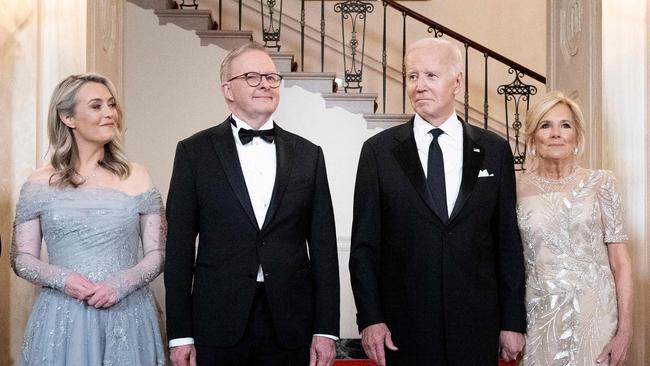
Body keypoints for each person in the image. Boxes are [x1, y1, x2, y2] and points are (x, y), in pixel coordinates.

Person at [349, 37, 526, 365]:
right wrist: (370, 319)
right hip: (404, 329)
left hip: (476, 326)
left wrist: (513, 321)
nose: (419, 86)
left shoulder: (495, 150)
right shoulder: (378, 152)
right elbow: (364, 247)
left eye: (431, 75)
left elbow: (507, 245)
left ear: (457, 81)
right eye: (412, 76)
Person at [164, 42, 340, 366]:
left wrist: (326, 329)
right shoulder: (193, 152)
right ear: (227, 90)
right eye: (252, 76)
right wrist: (180, 334)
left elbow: (325, 249)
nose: (265, 84)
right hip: (217, 321)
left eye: (272, 78)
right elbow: (178, 249)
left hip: (291, 323)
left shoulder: (309, 154)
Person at [11, 73, 166, 365]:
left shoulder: (138, 176)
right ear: (67, 117)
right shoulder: (39, 182)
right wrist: (64, 279)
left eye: (111, 105)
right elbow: (22, 258)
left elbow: (157, 254)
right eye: (96, 106)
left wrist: (119, 285)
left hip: (126, 313)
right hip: (62, 315)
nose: (109, 113)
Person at [517, 91, 633, 365]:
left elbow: (621, 262)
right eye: (546, 125)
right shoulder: (515, 187)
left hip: (596, 318)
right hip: (537, 318)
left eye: (565, 125)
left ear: (577, 136)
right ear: (533, 137)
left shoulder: (601, 183)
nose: (556, 133)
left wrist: (625, 331)